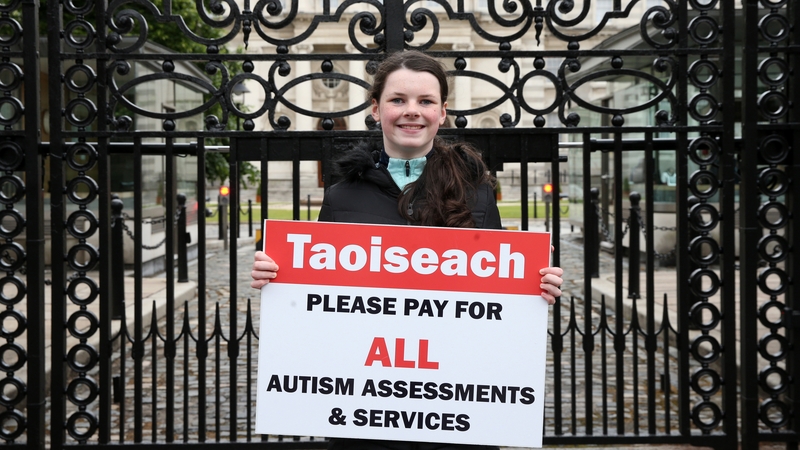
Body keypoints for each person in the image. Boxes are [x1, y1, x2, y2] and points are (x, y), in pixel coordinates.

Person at [251, 50, 563, 450]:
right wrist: (277, 278)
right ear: (376, 108)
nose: (411, 112)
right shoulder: (341, 195)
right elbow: (319, 300)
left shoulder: (477, 193)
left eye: (425, 101)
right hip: (364, 418)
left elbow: (499, 299)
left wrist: (536, 285)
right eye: (398, 100)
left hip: (456, 416)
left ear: (443, 112)